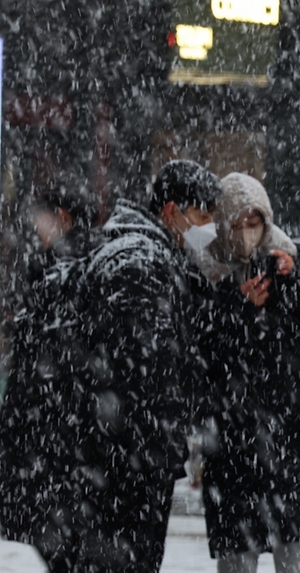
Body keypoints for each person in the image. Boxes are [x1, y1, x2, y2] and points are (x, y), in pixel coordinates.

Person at [30, 159, 220, 571]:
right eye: (203, 216)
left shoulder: (146, 256)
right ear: (171, 211)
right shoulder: (140, 264)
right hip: (123, 470)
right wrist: (153, 452)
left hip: (113, 464)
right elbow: (142, 376)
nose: (210, 228)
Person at [194, 172, 300, 573]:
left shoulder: (294, 258)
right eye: (239, 224)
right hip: (237, 446)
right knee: (238, 558)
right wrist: (238, 306)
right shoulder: (208, 271)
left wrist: (294, 280)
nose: (249, 233)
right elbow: (201, 350)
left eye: (256, 223)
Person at [0, 183, 101, 571]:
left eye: (39, 219)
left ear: (62, 217)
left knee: (40, 544)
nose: (34, 229)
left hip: (45, 441)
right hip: (65, 447)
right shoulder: (88, 263)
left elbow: (40, 366)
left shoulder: (59, 271)